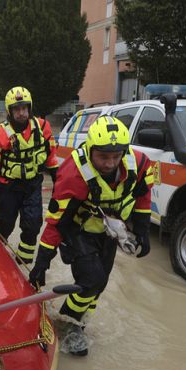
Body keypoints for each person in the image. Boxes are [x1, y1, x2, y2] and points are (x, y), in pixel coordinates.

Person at [28, 116, 153, 357]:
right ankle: (68, 323)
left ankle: (80, 322)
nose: (110, 163)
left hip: (108, 233)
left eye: (115, 156)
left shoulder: (138, 163)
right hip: (76, 231)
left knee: (100, 283)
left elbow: (142, 195)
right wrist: (42, 263)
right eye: (103, 157)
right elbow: (55, 222)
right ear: (91, 149)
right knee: (92, 279)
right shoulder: (73, 174)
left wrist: (143, 231)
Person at [0, 86, 59, 264]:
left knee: (33, 226)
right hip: (8, 187)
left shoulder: (43, 128)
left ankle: (23, 263)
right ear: (9, 111)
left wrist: (57, 182)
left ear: (29, 108)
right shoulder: (0, 136)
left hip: (32, 186)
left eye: (24, 108)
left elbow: (51, 156)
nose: (21, 113)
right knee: (5, 224)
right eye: (17, 109)